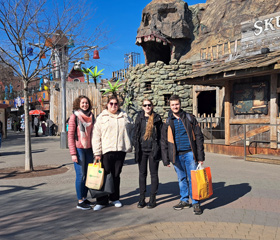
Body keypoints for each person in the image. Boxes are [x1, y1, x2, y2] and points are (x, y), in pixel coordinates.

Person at [161, 95, 205, 215]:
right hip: (176, 155)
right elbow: (164, 141)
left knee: (193, 179)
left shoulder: (189, 118)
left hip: (190, 153)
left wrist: (200, 157)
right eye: (173, 105)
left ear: (180, 105)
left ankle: (196, 202)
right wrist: (166, 159)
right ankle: (184, 200)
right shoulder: (168, 121)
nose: (175, 107)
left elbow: (199, 137)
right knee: (181, 178)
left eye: (177, 104)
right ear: (169, 106)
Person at [92, 95, 132, 211]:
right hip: (106, 151)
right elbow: (96, 136)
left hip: (120, 150)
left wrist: (129, 143)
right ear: (107, 105)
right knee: (104, 175)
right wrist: (97, 152)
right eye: (111, 104)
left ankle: (114, 198)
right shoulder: (102, 117)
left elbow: (131, 130)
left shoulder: (124, 116)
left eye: (116, 104)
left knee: (116, 175)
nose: (114, 106)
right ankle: (101, 201)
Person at [133, 99, 162, 209]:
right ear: (142, 106)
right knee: (142, 174)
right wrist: (136, 146)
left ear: (152, 106)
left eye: (149, 105)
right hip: (142, 150)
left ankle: (152, 198)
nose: (147, 107)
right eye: (145, 105)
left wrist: (160, 149)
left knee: (153, 174)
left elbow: (160, 136)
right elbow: (136, 133)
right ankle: (141, 198)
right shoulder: (139, 118)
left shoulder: (157, 118)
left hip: (153, 150)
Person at [68, 95, 95, 210]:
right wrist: (73, 153)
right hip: (79, 149)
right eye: (83, 103)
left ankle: (84, 197)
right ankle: (80, 201)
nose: (85, 104)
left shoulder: (92, 116)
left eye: (86, 103)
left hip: (89, 149)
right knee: (80, 175)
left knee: (88, 175)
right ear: (78, 104)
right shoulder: (74, 117)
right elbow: (70, 136)